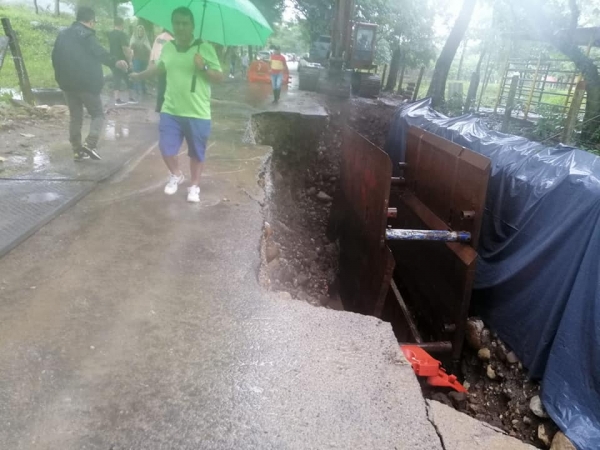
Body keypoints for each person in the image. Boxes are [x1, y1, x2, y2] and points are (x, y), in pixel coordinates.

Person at [131, 7, 223, 203]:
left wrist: (203, 67)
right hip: (171, 109)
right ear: (172, 25)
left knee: (197, 153)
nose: (181, 27)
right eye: (177, 23)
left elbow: (219, 77)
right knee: (166, 148)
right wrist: (139, 75)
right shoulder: (168, 47)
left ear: (192, 26)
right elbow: (159, 68)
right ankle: (176, 174)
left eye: (185, 23)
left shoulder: (204, 48)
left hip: (198, 112)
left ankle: (194, 186)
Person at [52, 6, 128, 161]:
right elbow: (99, 53)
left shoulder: (62, 34)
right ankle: (90, 144)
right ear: (91, 21)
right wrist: (116, 62)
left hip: (67, 84)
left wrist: (60, 78)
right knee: (98, 114)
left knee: (75, 117)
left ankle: (76, 150)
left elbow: (54, 57)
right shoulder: (87, 35)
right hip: (86, 84)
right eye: (94, 22)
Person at [109, 17, 135, 105]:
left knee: (116, 78)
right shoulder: (122, 34)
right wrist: (130, 60)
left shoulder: (110, 34)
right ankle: (131, 98)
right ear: (122, 24)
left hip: (113, 59)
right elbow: (125, 48)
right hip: (123, 60)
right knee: (129, 77)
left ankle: (117, 99)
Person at [149, 29, 174, 113]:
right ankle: (165, 106)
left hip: (157, 62)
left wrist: (152, 61)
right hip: (166, 64)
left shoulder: (158, 37)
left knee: (160, 85)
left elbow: (153, 50)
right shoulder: (171, 39)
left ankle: (158, 106)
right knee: (167, 86)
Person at [130, 25, 151, 99]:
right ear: (137, 31)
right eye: (139, 31)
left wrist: (146, 47)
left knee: (143, 74)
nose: (140, 32)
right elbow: (130, 48)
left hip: (144, 59)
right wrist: (132, 47)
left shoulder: (145, 39)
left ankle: (144, 90)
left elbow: (149, 49)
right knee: (136, 73)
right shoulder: (134, 38)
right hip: (136, 59)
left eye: (142, 31)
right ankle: (136, 90)